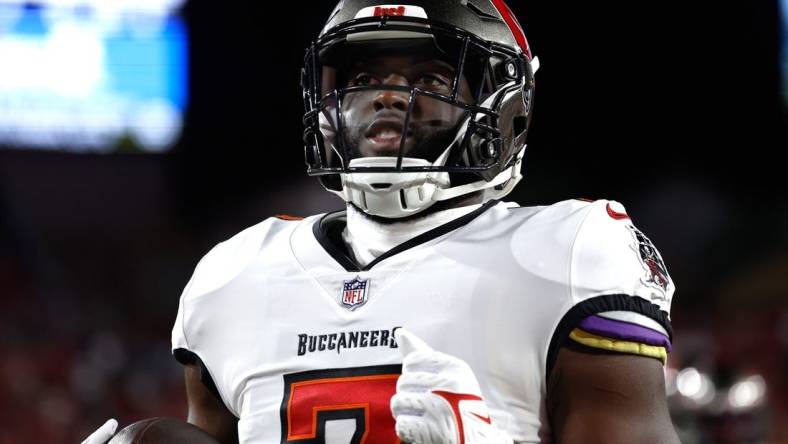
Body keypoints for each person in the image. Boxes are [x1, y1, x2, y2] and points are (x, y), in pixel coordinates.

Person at [84, 1, 680, 443]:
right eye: (364, 79)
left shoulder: (570, 251)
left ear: (506, 109)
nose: (388, 97)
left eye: (431, 80)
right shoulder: (236, 272)